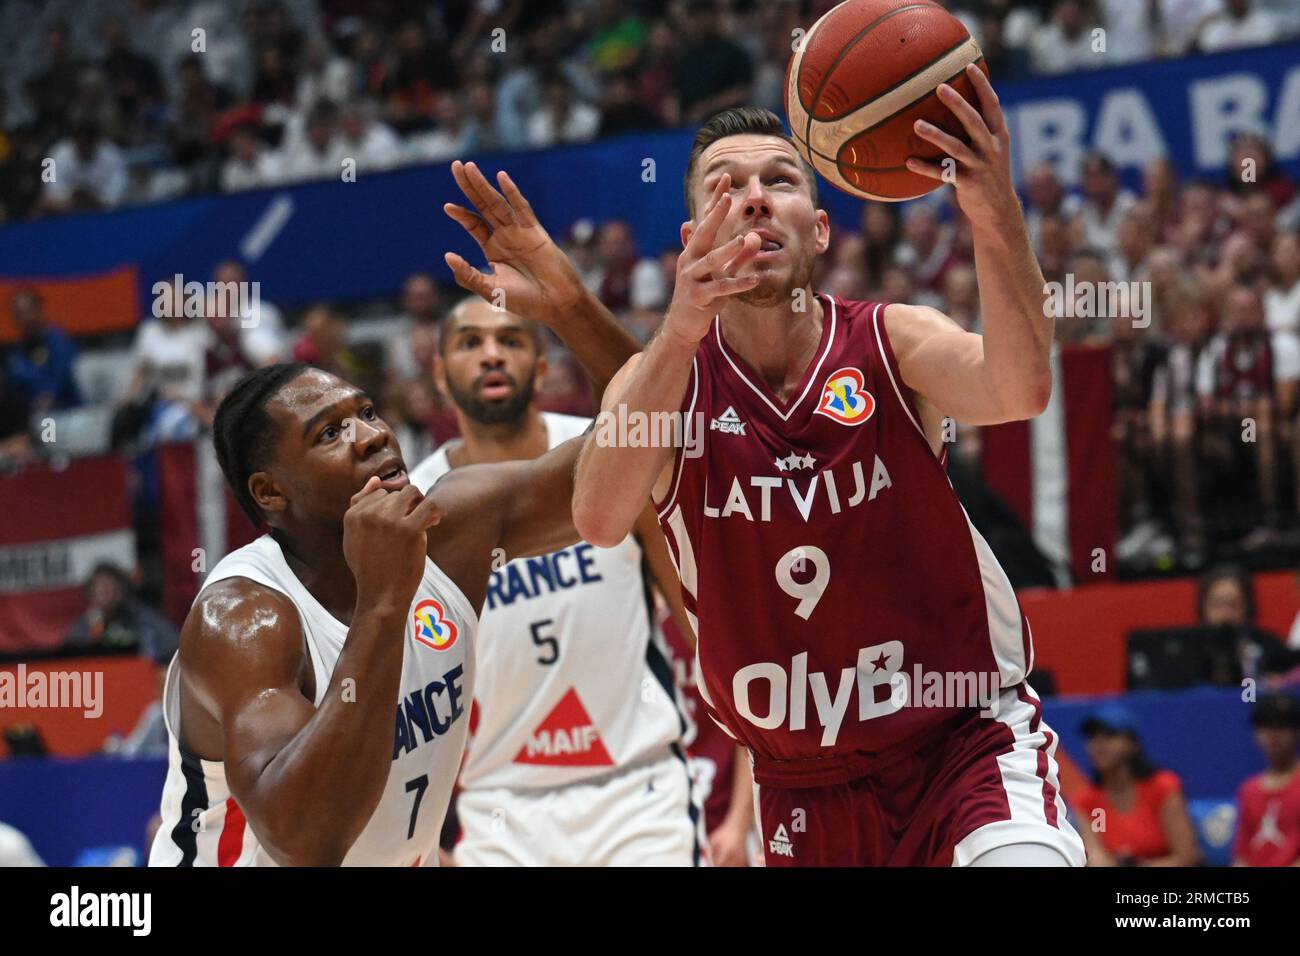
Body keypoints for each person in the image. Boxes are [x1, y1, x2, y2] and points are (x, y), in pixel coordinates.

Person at [573, 84, 1086, 866]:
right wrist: (677, 333)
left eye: (779, 181)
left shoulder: (891, 341)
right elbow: (599, 518)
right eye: (724, 188)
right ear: (690, 239)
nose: (751, 201)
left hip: (962, 745)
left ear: (818, 231)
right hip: (800, 786)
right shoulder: (661, 382)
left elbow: (1021, 389)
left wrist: (993, 211)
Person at [148, 162, 638, 866]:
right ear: (270, 492)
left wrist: (568, 307)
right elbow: (305, 839)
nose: (374, 434)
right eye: (330, 432)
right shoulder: (245, 619)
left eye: (368, 413)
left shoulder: (456, 523)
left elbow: (654, 439)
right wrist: (383, 603)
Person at [408, 298, 702, 866]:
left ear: (542, 369)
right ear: (440, 376)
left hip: (638, 792)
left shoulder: (606, 452)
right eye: (470, 343)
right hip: (500, 807)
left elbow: (696, 613)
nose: (492, 354)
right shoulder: (419, 508)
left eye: (512, 341)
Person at [1071, 703, 1200, 866]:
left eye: (1109, 735)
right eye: (1092, 737)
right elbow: (1096, 858)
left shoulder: (1163, 787)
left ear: (1132, 744)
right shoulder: (1087, 801)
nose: (1098, 744)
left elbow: (1186, 857)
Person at [1233, 692, 1300, 866]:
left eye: (1282, 725)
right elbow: (1241, 856)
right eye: (1265, 726)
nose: (1273, 734)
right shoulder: (1249, 790)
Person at [5, 286, 81, 413]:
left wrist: (44, 402)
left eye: (28, 312)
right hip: (27, 417)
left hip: (63, 414)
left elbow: (62, 382)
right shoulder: (16, 354)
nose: (25, 319)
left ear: (40, 310)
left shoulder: (60, 343)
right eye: (18, 314)